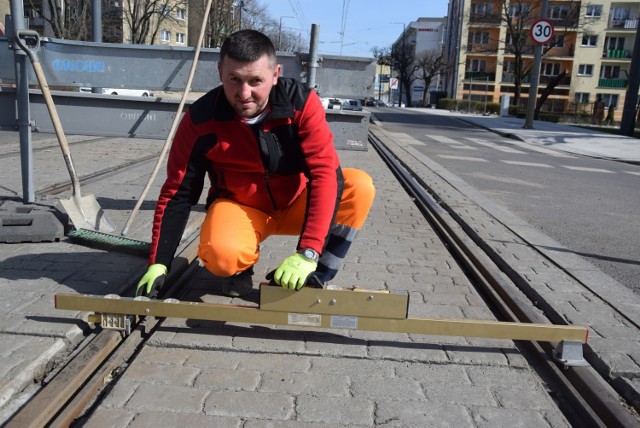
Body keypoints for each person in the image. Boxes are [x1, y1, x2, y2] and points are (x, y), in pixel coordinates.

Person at [136, 29, 375, 298]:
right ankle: (240, 270)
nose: (244, 93)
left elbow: (324, 175)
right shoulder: (200, 120)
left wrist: (308, 251)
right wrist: (159, 262)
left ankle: (315, 271)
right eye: (234, 79)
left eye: (255, 81)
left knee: (358, 186)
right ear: (220, 73)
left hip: (296, 203)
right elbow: (177, 192)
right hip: (241, 207)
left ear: (276, 75)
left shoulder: (301, 105)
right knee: (221, 256)